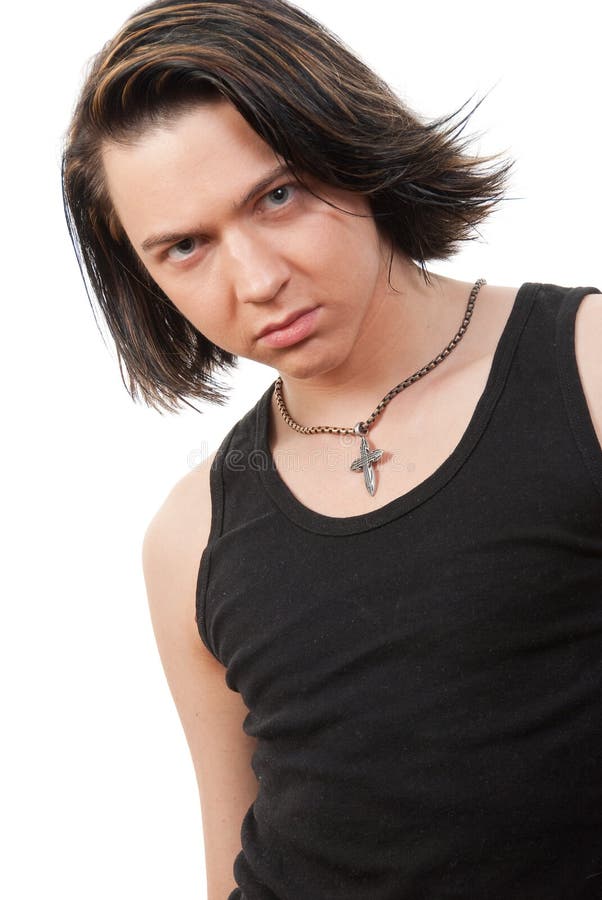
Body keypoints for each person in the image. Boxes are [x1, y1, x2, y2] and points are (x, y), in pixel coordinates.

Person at [62, 1, 602, 897]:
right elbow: (228, 853)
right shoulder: (189, 533)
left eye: (277, 196)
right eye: (187, 247)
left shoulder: (586, 370)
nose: (258, 279)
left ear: (351, 149)